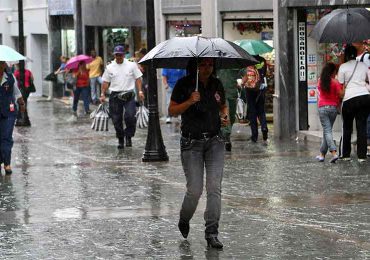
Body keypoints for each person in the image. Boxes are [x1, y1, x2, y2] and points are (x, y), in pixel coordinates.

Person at [169, 58, 229, 249]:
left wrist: (224, 116)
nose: (206, 69)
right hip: (191, 143)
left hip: (215, 141)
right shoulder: (184, 84)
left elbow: (223, 106)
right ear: (195, 67)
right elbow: (171, 110)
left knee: (214, 188)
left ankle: (212, 233)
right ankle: (184, 218)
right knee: (195, 190)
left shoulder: (216, 84)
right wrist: (189, 101)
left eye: (209, 65)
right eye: (202, 65)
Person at [100, 45, 145, 149]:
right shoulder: (110, 66)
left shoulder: (131, 65)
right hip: (115, 95)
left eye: (120, 55)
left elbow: (138, 78)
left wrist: (140, 91)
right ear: (114, 55)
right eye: (117, 55)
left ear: (124, 54)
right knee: (116, 119)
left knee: (130, 116)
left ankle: (128, 136)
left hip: (129, 94)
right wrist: (102, 94)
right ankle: (120, 138)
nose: (118, 57)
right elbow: (105, 82)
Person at [338, 45, 370, 162]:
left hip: (349, 99)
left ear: (346, 55)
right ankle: (362, 156)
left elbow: (341, 83)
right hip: (364, 97)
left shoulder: (343, 67)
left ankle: (346, 155)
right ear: (356, 54)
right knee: (361, 127)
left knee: (347, 127)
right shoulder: (364, 66)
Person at [0, 61, 26, 175]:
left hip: (9, 111)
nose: (3, 65)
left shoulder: (10, 77)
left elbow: (16, 92)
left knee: (6, 137)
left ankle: (7, 163)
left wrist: (21, 104)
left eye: (3, 63)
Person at [315, 63, 343, 163]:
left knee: (327, 131)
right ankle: (322, 154)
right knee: (327, 131)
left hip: (322, 108)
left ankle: (334, 152)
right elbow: (341, 94)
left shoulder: (320, 81)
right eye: (335, 71)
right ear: (333, 72)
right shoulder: (335, 82)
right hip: (333, 109)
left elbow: (318, 94)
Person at [241, 55, 268, 143]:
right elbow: (264, 74)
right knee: (261, 110)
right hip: (260, 88)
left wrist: (242, 83)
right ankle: (264, 127)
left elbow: (244, 77)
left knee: (252, 112)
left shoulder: (247, 61)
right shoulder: (262, 60)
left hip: (249, 90)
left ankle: (254, 136)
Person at [218, 69, 240, 151]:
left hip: (233, 94)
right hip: (222, 94)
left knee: (232, 116)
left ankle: (225, 133)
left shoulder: (234, 63)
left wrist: (241, 83)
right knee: (225, 115)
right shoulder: (217, 63)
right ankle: (226, 137)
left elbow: (243, 74)